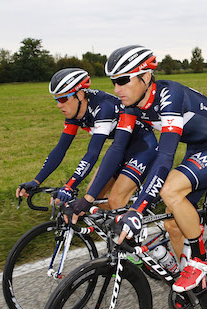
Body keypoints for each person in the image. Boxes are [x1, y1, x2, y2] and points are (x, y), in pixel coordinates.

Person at [105, 45, 207, 294]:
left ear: (146, 76)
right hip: (198, 147)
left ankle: (201, 257)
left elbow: (165, 156)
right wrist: (89, 197)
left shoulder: (170, 95)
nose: (117, 89)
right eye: (114, 82)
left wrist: (137, 209)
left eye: (123, 80)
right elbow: (116, 151)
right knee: (172, 221)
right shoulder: (131, 105)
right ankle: (189, 282)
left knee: (170, 190)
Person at [16, 68, 157, 210]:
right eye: (57, 99)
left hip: (143, 148)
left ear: (80, 94)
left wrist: (69, 186)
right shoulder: (75, 112)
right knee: (95, 197)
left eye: (63, 99)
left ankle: (139, 228)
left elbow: (93, 153)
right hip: (120, 150)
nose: (59, 105)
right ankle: (113, 227)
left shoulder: (103, 108)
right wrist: (36, 180)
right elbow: (60, 148)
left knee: (115, 200)